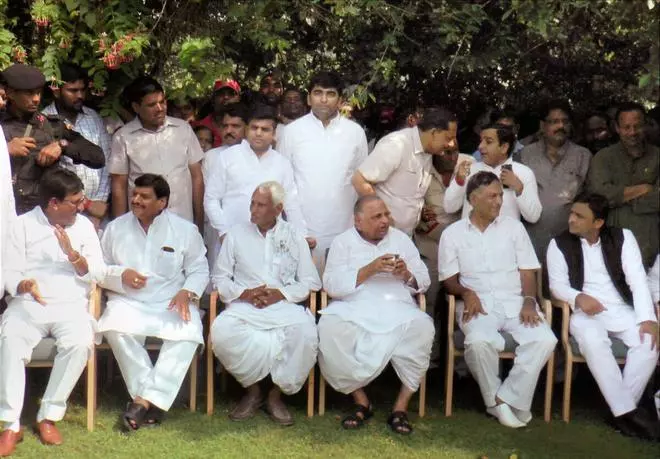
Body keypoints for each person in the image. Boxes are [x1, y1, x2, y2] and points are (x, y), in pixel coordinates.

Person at [438, 171, 557, 428]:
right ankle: (502, 405)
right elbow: (448, 279)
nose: (499, 201)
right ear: (473, 198)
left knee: (545, 339)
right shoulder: (453, 233)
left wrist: (528, 299)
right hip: (477, 305)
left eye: (501, 195)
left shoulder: (514, 228)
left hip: (515, 301)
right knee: (479, 342)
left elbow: (527, 270)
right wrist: (466, 292)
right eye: (492, 196)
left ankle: (503, 400)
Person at [0, 169, 105, 455]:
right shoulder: (21, 226)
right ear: (53, 203)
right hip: (28, 304)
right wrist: (22, 284)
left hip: (70, 304)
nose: (81, 206)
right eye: (75, 201)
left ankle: (48, 416)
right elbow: (7, 271)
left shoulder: (83, 227)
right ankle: (10, 423)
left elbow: (98, 271)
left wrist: (74, 255)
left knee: (80, 342)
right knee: (10, 339)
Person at [98, 174, 208, 432]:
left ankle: (140, 402)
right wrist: (120, 275)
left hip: (169, 301)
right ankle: (153, 401)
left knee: (188, 334)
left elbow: (199, 269)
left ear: (162, 203)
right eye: (135, 195)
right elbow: (99, 269)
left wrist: (187, 291)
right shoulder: (116, 228)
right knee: (114, 327)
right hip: (128, 300)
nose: (135, 200)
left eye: (144, 197)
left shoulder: (184, 230)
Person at [547, 192, 658, 440]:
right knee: (594, 342)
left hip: (620, 309)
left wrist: (647, 319)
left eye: (579, 216)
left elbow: (638, 280)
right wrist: (578, 297)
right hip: (583, 312)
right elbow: (556, 285)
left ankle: (619, 411)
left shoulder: (622, 237)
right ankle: (629, 415)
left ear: (598, 223)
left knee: (649, 342)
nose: (571, 220)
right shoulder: (559, 244)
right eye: (572, 213)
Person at [318, 195, 434, 435]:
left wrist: (406, 274)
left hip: (396, 307)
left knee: (422, 326)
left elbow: (424, 280)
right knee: (329, 327)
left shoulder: (401, 240)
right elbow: (330, 284)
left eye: (386, 214)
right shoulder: (342, 243)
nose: (384, 221)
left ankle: (400, 408)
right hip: (354, 307)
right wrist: (368, 270)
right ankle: (361, 401)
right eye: (376, 217)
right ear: (358, 222)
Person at [211, 182, 321, 426]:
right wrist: (245, 293)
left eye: (260, 205)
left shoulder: (294, 236)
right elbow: (220, 278)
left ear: (278, 208)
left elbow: (311, 281)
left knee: (305, 332)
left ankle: (275, 396)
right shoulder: (236, 234)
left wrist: (280, 294)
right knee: (222, 331)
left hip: (284, 307)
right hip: (245, 306)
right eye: (252, 203)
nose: (253, 210)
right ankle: (253, 392)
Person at [277, 71, 368, 258]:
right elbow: (283, 182)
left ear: (341, 100)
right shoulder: (292, 132)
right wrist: (296, 228)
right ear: (309, 99)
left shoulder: (355, 133)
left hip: (345, 228)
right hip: (302, 229)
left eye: (331, 94)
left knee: (340, 284)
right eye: (318, 93)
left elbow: (361, 181)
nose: (324, 99)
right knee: (305, 286)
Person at [1, 64, 105, 215]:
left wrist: (62, 146)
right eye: (29, 94)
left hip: (43, 218)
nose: (36, 99)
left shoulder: (51, 126)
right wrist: (4, 151)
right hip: (5, 214)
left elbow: (98, 158)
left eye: (38, 93)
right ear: (10, 93)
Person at [204, 105, 308, 250]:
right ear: (247, 130)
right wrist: (224, 232)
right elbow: (211, 199)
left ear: (274, 133)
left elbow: (291, 204)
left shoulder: (282, 163)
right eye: (254, 128)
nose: (258, 133)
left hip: (270, 243)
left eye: (265, 129)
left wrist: (302, 236)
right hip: (231, 240)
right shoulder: (227, 157)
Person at [108, 76, 205, 232]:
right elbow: (119, 185)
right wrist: (120, 229)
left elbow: (197, 177)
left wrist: (199, 222)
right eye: (152, 105)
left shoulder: (183, 129)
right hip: (143, 225)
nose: (160, 108)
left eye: (162, 102)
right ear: (136, 107)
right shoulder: (123, 137)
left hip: (183, 221)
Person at [351, 106, 458, 236]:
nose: (452, 144)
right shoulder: (396, 145)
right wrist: (382, 217)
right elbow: (359, 179)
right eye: (448, 138)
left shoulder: (428, 152)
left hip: (405, 237)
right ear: (434, 133)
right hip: (380, 236)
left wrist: (419, 210)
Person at [588, 102, 659, 268]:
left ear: (645, 126)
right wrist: (644, 189)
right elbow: (599, 196)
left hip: (651, 242)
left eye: (637, 126)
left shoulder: (657, 156)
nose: (632, 132)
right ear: (617, 128)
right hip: (612, 242)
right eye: (626, 127)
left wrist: (619, 197)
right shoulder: (603, 158)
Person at [519, 100, 592, 261]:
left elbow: (590, 198)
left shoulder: (583, 156)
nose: (560, 126)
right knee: (536, 284)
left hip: (570, 240)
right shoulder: (525, 155)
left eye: (565, 122)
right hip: (532, 240)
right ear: (542, 126)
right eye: (554, 122)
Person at [42, 63, 113, 229]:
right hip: (61, 214)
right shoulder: (43, 121)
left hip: (98, 211)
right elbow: (48, 176)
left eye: (82, 90)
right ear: (57, 90)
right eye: (73, 91)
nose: (80, 95)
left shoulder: (93, 117)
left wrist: (99, 206)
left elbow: (106, 161)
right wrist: (85, 204)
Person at [444, 123, 542, 224]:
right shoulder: (470, 170)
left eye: (488, 142)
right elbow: (449, 208)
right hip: (470, 238)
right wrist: (459, 181)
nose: (480, 146)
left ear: (504, 147)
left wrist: (519, 188)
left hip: (505, 239)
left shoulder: (523, 173)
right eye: (481, 141)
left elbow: (533, 217)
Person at [201, 102, 249, 180]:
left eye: (235, 126)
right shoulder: (210, 157)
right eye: (225, 126)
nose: (228, 131)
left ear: (247, 128)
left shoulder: (257, 154)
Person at [193, 80, 241, 147]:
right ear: (213, 100)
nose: (226, 97)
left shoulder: (248, 126)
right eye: (221, 93)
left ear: (239, 99)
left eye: (231, 93)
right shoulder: (199, 126)